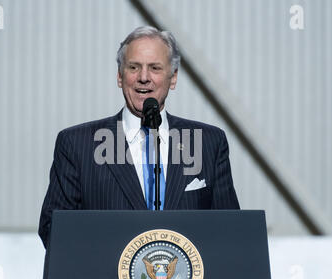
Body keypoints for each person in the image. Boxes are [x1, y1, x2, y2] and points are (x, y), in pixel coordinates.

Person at [38, 26, 239, 249]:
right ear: (120, 76)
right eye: (134, 67)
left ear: (173, 78)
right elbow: (54, 230)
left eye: (155, 68)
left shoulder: (208, 143)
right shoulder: (77, 144)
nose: (144, 78)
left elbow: (230, 232)